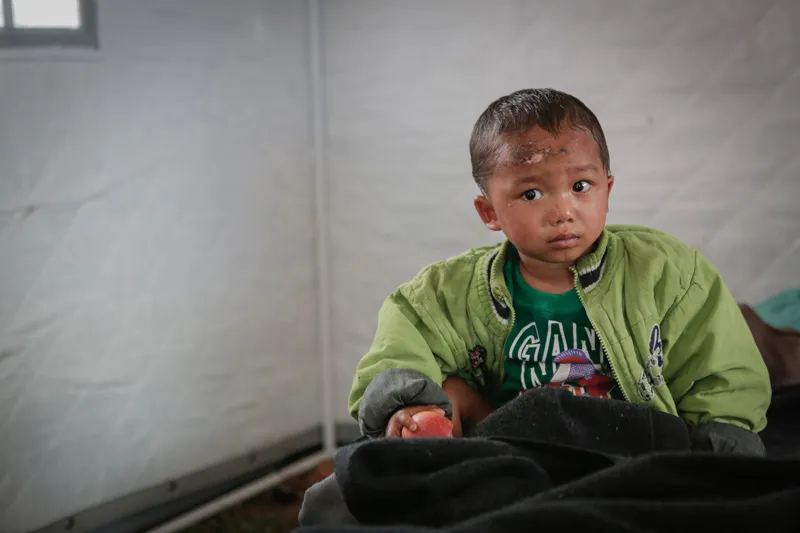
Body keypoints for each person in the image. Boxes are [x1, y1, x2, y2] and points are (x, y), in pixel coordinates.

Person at [348, 87, 771, 453]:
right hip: (507, 447)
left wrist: (720, 445)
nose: (562, 211)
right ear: (489, 212)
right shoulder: (448, 291)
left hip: (631, 444)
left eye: (580, 187)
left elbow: (720, 370)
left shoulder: (666, 271)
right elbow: (402, 345)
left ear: (608, 189)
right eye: (531, 193)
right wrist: (408, 408)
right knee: (441, 395)